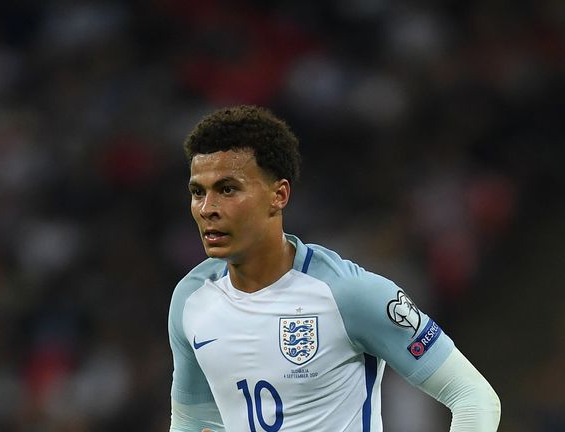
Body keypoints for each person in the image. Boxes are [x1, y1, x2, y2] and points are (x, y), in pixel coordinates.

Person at [168, 105, 500, 432]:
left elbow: (473, 396)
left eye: (228, 189)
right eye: (198, 192)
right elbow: (193, 422)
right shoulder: (191, 299)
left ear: (278, 195)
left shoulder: (349, 294)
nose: (208, 208)